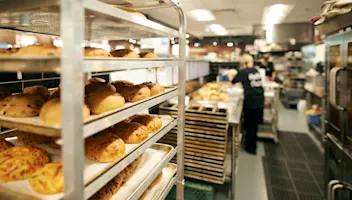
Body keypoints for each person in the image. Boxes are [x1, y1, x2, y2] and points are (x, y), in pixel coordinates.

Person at [232, 54, 264, 154]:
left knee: (249, 124)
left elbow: (233, 81)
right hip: (260, 99)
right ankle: (252, 143)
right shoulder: (256, 71)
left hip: (251, 101)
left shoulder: (243, 72)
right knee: (254, 125)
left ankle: (251, 148)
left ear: (243, 63)